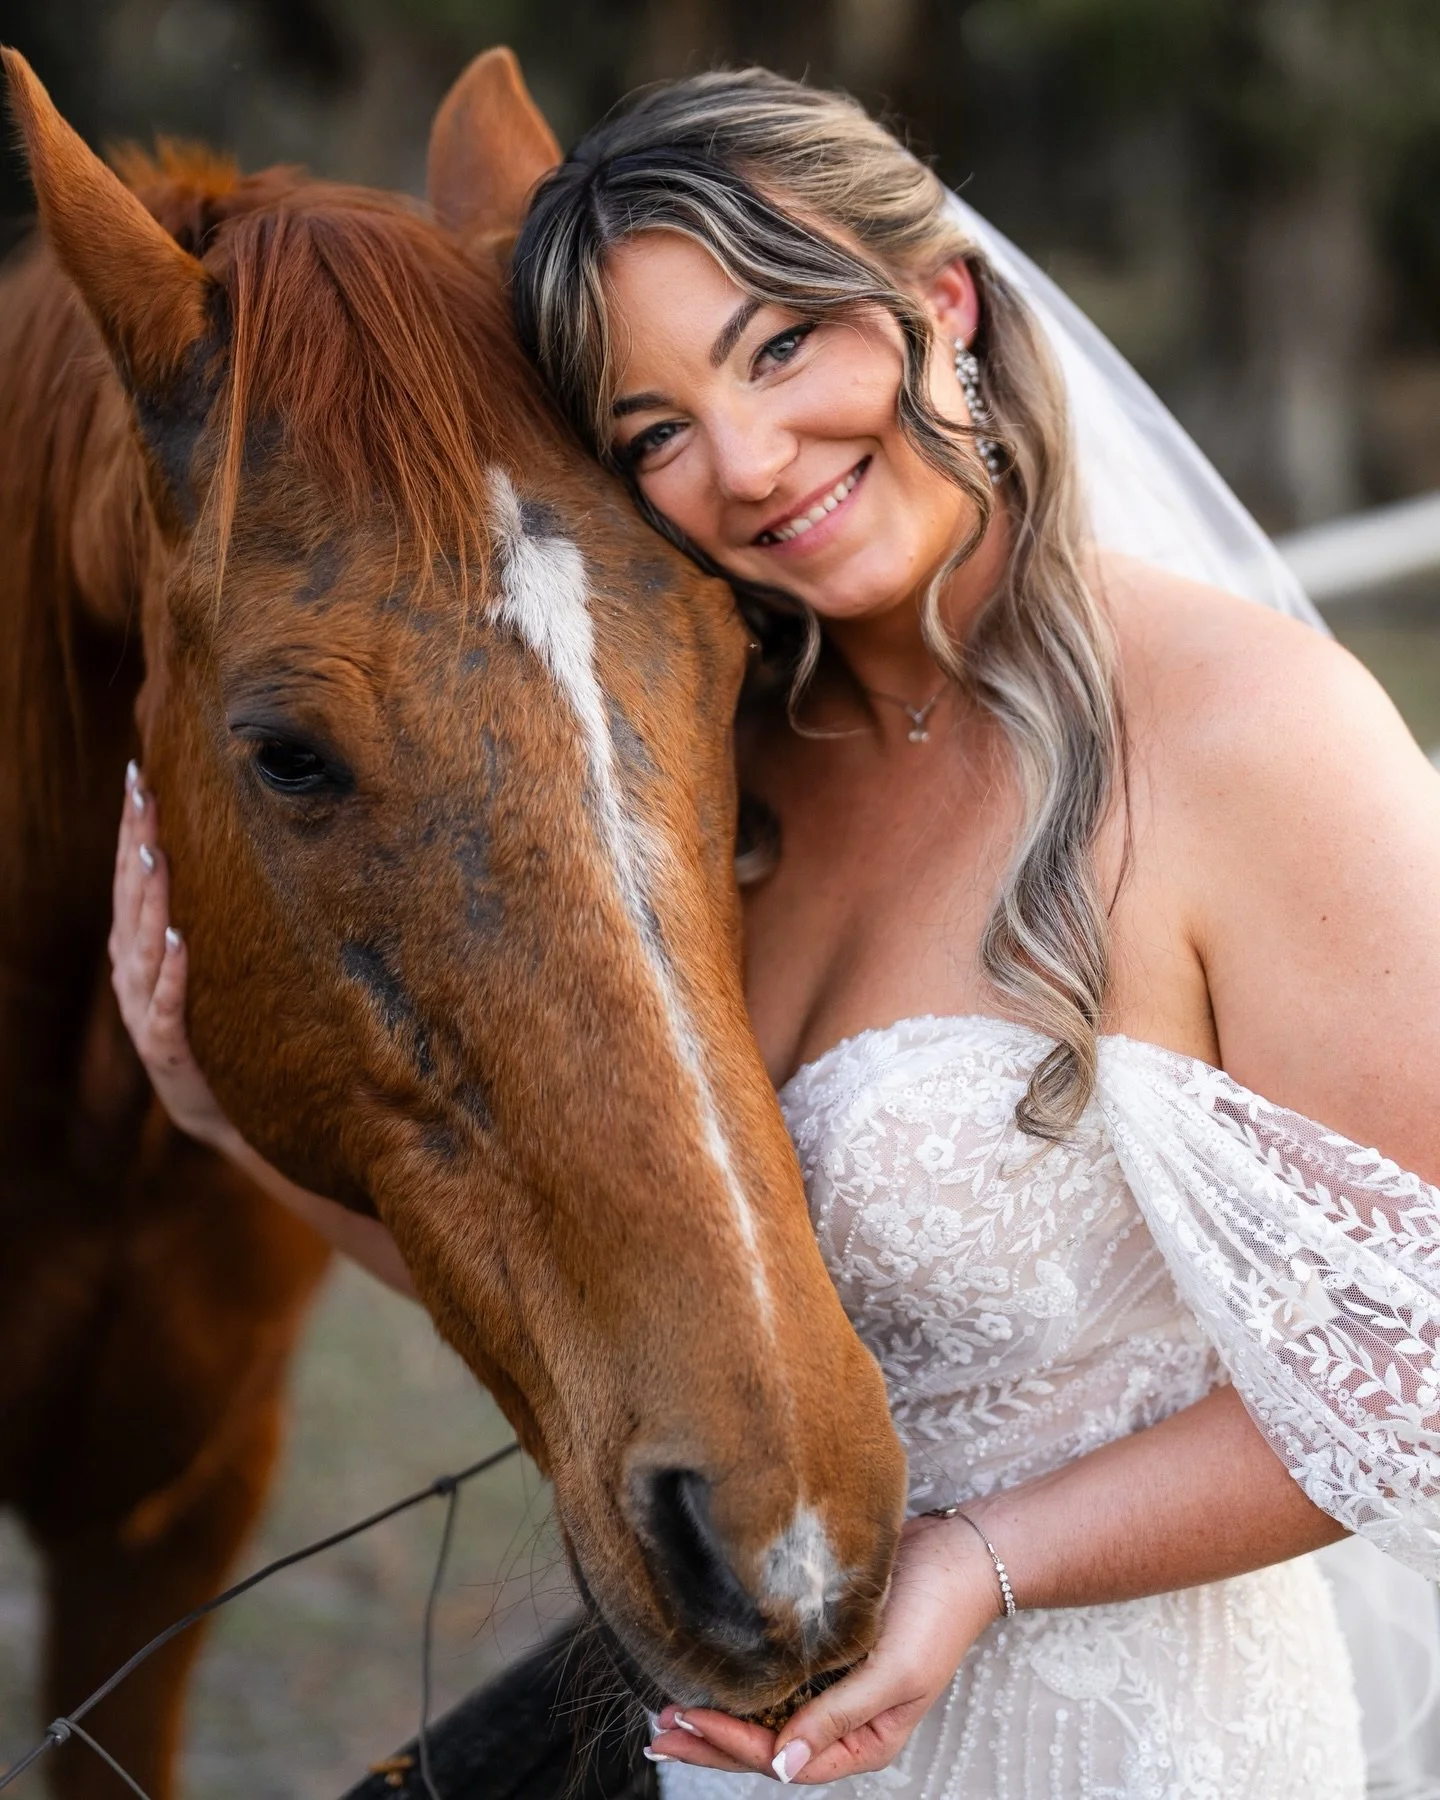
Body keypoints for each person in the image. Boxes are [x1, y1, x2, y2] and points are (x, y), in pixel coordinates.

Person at [111, 66, 1440, 1800]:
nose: (743, 463)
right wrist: (224, 1121)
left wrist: (984, 1567)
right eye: (652, 428)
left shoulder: (1254, 735)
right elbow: (624, 1280)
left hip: (1123, 1744)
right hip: (763, 1739)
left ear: (942, 307)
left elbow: (1411, 1369)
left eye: (779, 346)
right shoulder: (702, 778)